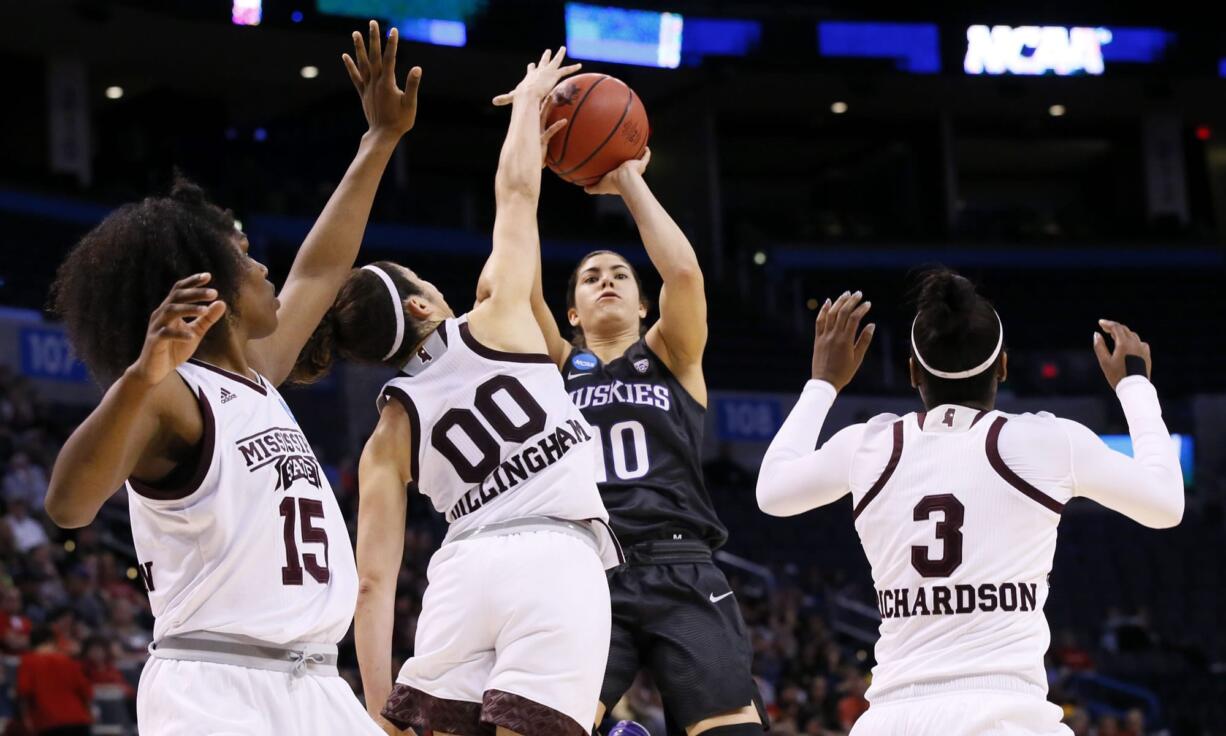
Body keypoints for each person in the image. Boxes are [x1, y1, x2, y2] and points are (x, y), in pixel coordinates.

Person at [43, 20, 420, 734]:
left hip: (313, 682)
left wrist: (379, 141)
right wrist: (139, 378)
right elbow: (67, 504)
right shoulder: (173, 396)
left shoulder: (257, 381)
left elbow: (320, 266)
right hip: (217, 685)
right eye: (247, 260)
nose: (268, 269)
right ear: (208, 289)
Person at [294, 48, 619, 735]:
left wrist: (381, 709)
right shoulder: (498, 314)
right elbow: (517, 195)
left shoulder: (389, 428)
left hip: (462, 572)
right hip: (556, 558)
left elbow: (375, 583)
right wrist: (529, 105)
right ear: (418, 307)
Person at [756, 273, 1185, 735]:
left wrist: (822, 383)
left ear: (913, 372)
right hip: (1007, 717)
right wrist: (1135, 387)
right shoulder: (1044, 442)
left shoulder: (871, 445)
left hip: (893, 719)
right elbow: (1165, 505)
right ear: (1002, 365)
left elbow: (772, 492)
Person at [529, 148, 763, 733]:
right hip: (586, 569)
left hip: (679, 561)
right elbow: (510, 277)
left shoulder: (672, 356)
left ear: (642, 303)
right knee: (539, 725)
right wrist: (528, 162)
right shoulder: (554, 365)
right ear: (573, 314)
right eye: (590, 277)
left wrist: (629, 180)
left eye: (620, 275)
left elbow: (683, 274)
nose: (605, 280)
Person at [17, 626, 93, 736]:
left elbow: (24, 691)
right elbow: (86, 691)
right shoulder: (67, 660)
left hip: (48, 721)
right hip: (78, 719)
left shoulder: (28, 662)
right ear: (51, 641)